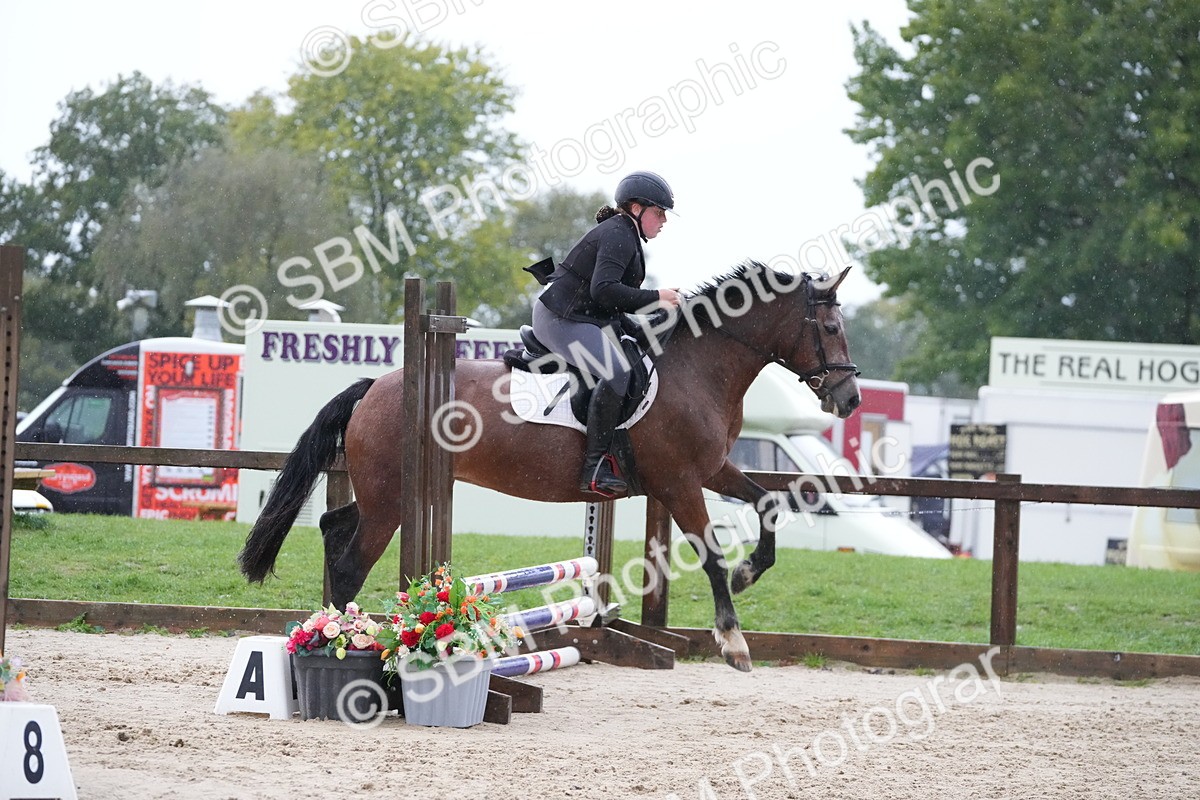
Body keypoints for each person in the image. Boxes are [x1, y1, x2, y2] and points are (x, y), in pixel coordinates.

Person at [532, 170, 684, 497]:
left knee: (635, 350)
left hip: (582, 317)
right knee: (618, 372)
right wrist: (657, 297)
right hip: (559, 318)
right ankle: (593, 468)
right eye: (659, 213)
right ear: (636, 208)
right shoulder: (618, 234)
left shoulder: (625, 233)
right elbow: (604, 291)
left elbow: (612, 306)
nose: (663, 221)